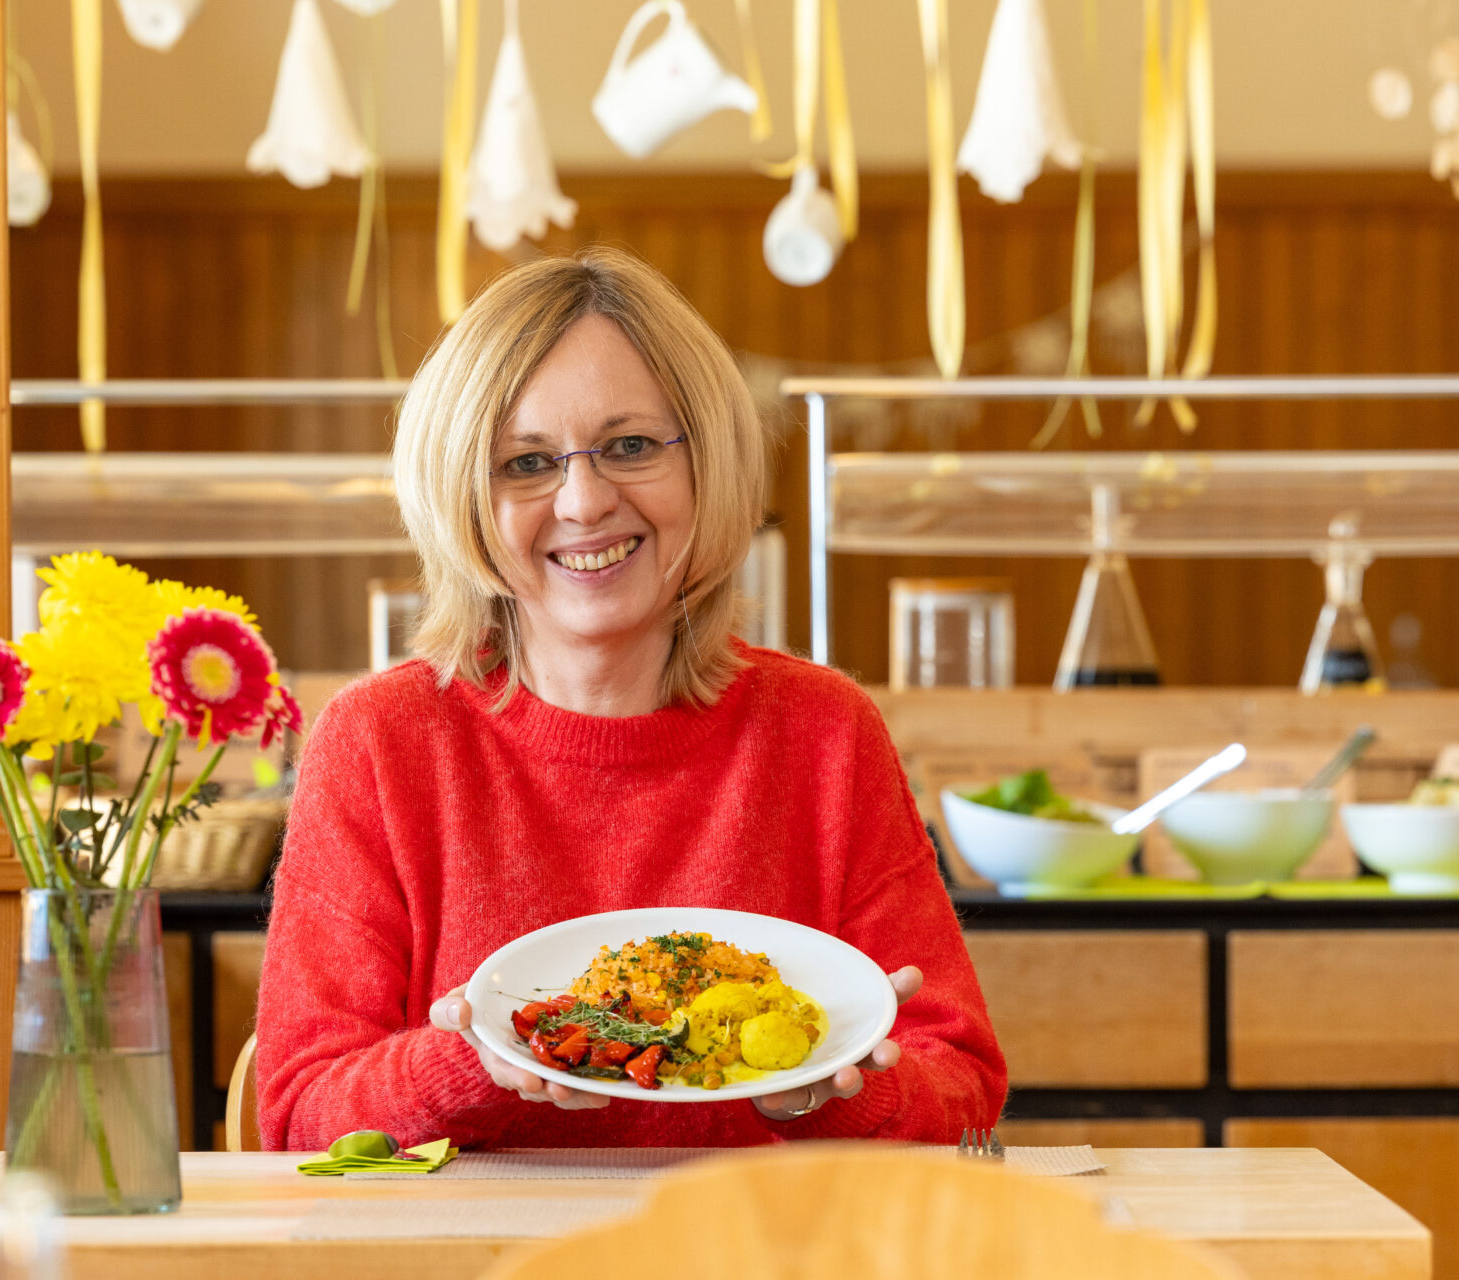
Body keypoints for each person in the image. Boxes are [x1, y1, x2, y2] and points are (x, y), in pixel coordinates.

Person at [256, 247, 1007, 1151]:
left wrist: (825, 1091)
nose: (583, 501)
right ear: (464, 497)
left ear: (706, 463)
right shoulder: (382, 742)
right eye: (525, 463)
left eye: (631, 446)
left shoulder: (823, 731)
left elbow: (962, 1080)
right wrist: (477, 1062)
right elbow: (300, 1114)